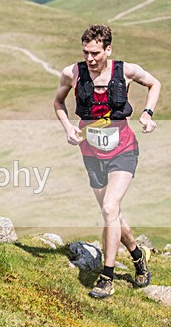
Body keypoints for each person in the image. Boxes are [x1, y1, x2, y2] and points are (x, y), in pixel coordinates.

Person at [54, 24, 161, 299]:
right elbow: (58, 102)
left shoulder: (125, 71)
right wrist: (68, 127)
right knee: (111, 213)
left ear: (108, 50)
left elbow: (154, 83)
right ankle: (138, 258)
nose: (90, 59)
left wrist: (147, 113)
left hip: (123, 150)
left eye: (96, 53)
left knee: (110, 207)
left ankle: (106, 277)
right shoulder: (72, 73)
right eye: (86, 53)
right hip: (91, 154)